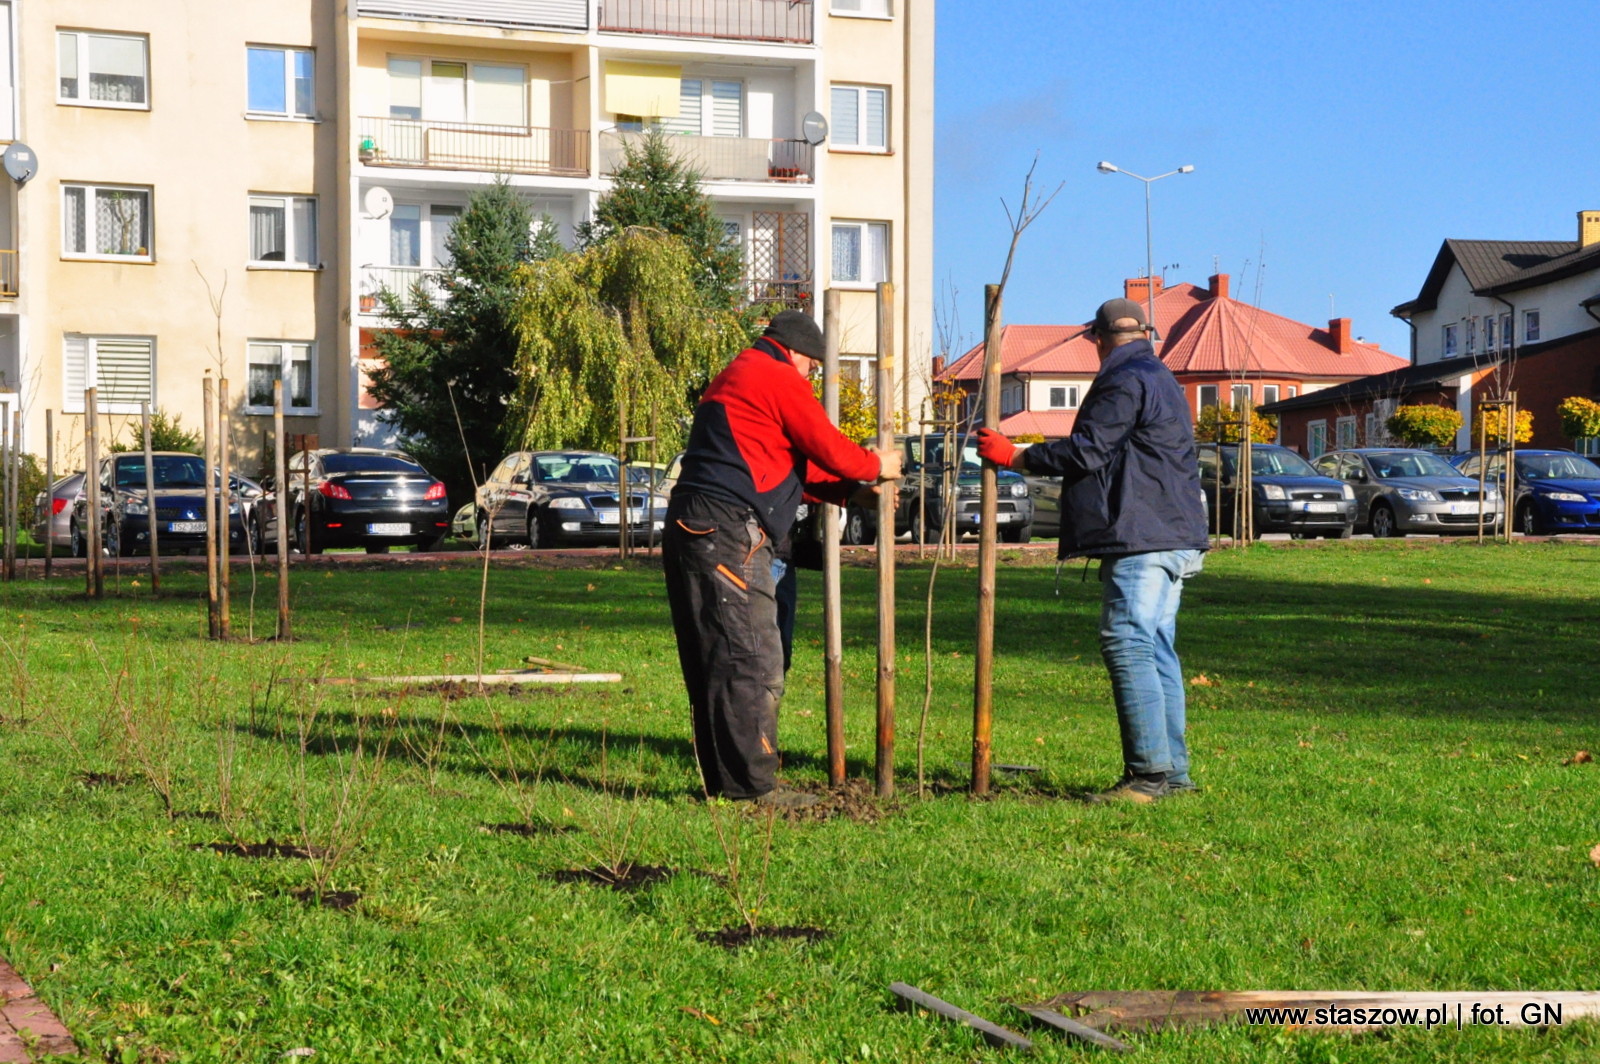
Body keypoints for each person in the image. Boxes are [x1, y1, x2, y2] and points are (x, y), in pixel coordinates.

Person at [975, 298, 1208, 803]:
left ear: (1098, 339)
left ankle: (1148, 778)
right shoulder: (1161, 376)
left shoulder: (1123, 379)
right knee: (1156, 648)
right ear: (1146, 333)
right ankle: (1174, 776)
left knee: (1127, 641)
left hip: (1144, 536)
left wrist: (1016, 454)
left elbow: (1087, 449)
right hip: (1174, 533)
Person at [664, 311, 902, 806]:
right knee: (752, 659)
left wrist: (852, 494)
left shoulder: (737, 376)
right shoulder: (774, 375)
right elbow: (827, 446)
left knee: (716, 658)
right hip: (728, 530)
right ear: (796, 352)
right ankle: (752, 790)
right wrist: (877, 465)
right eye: (813, 367)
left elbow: (790, 463)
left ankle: (729, 782)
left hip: (697, 524)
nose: (813, 376)